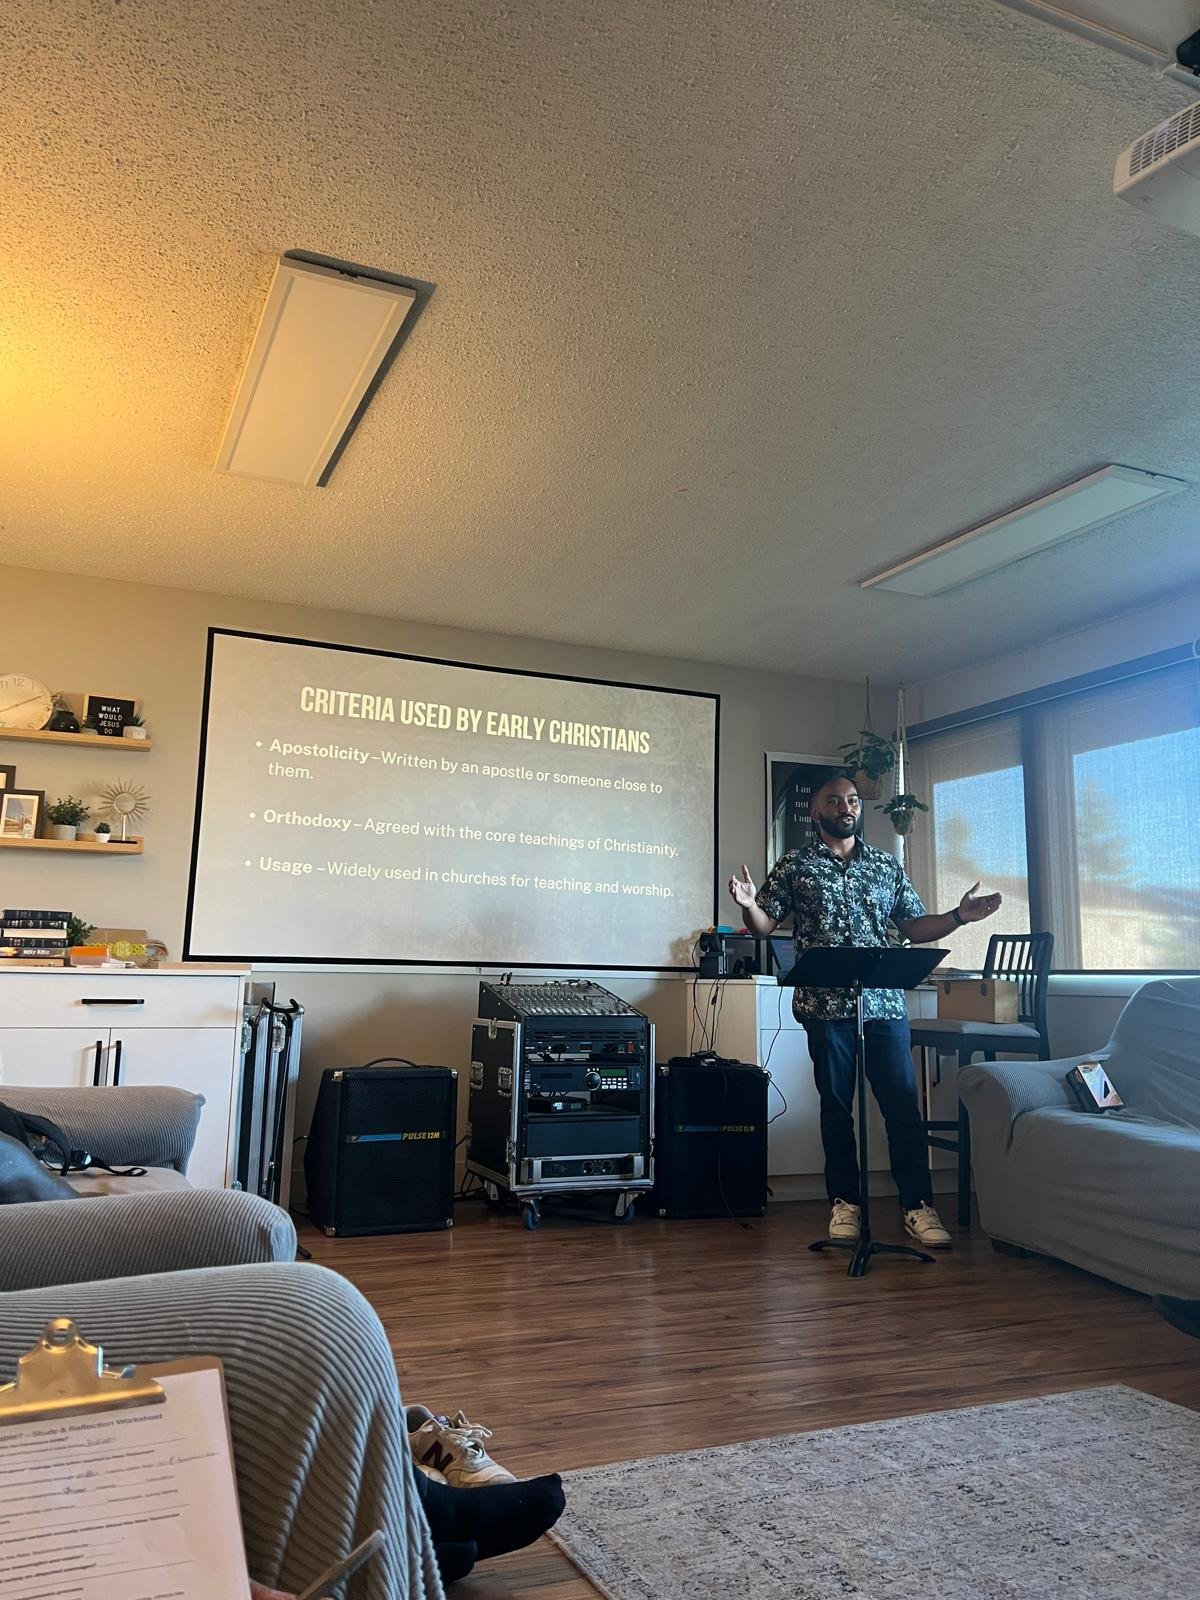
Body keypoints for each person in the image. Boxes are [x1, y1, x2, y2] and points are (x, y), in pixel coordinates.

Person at [729, 771, 1001, 1250]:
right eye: (834, 801)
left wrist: (959, 916)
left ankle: (917, 1205)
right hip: (824, 1005)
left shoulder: (885, 866)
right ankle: (845, 1203)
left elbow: (914, 927)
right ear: (815, 812)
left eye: (852, 800)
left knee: (901, 1106)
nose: (846, 808)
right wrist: (750, 906)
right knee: (836, 1108)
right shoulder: (795, 865)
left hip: (882, 1004)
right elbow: (765, 925)